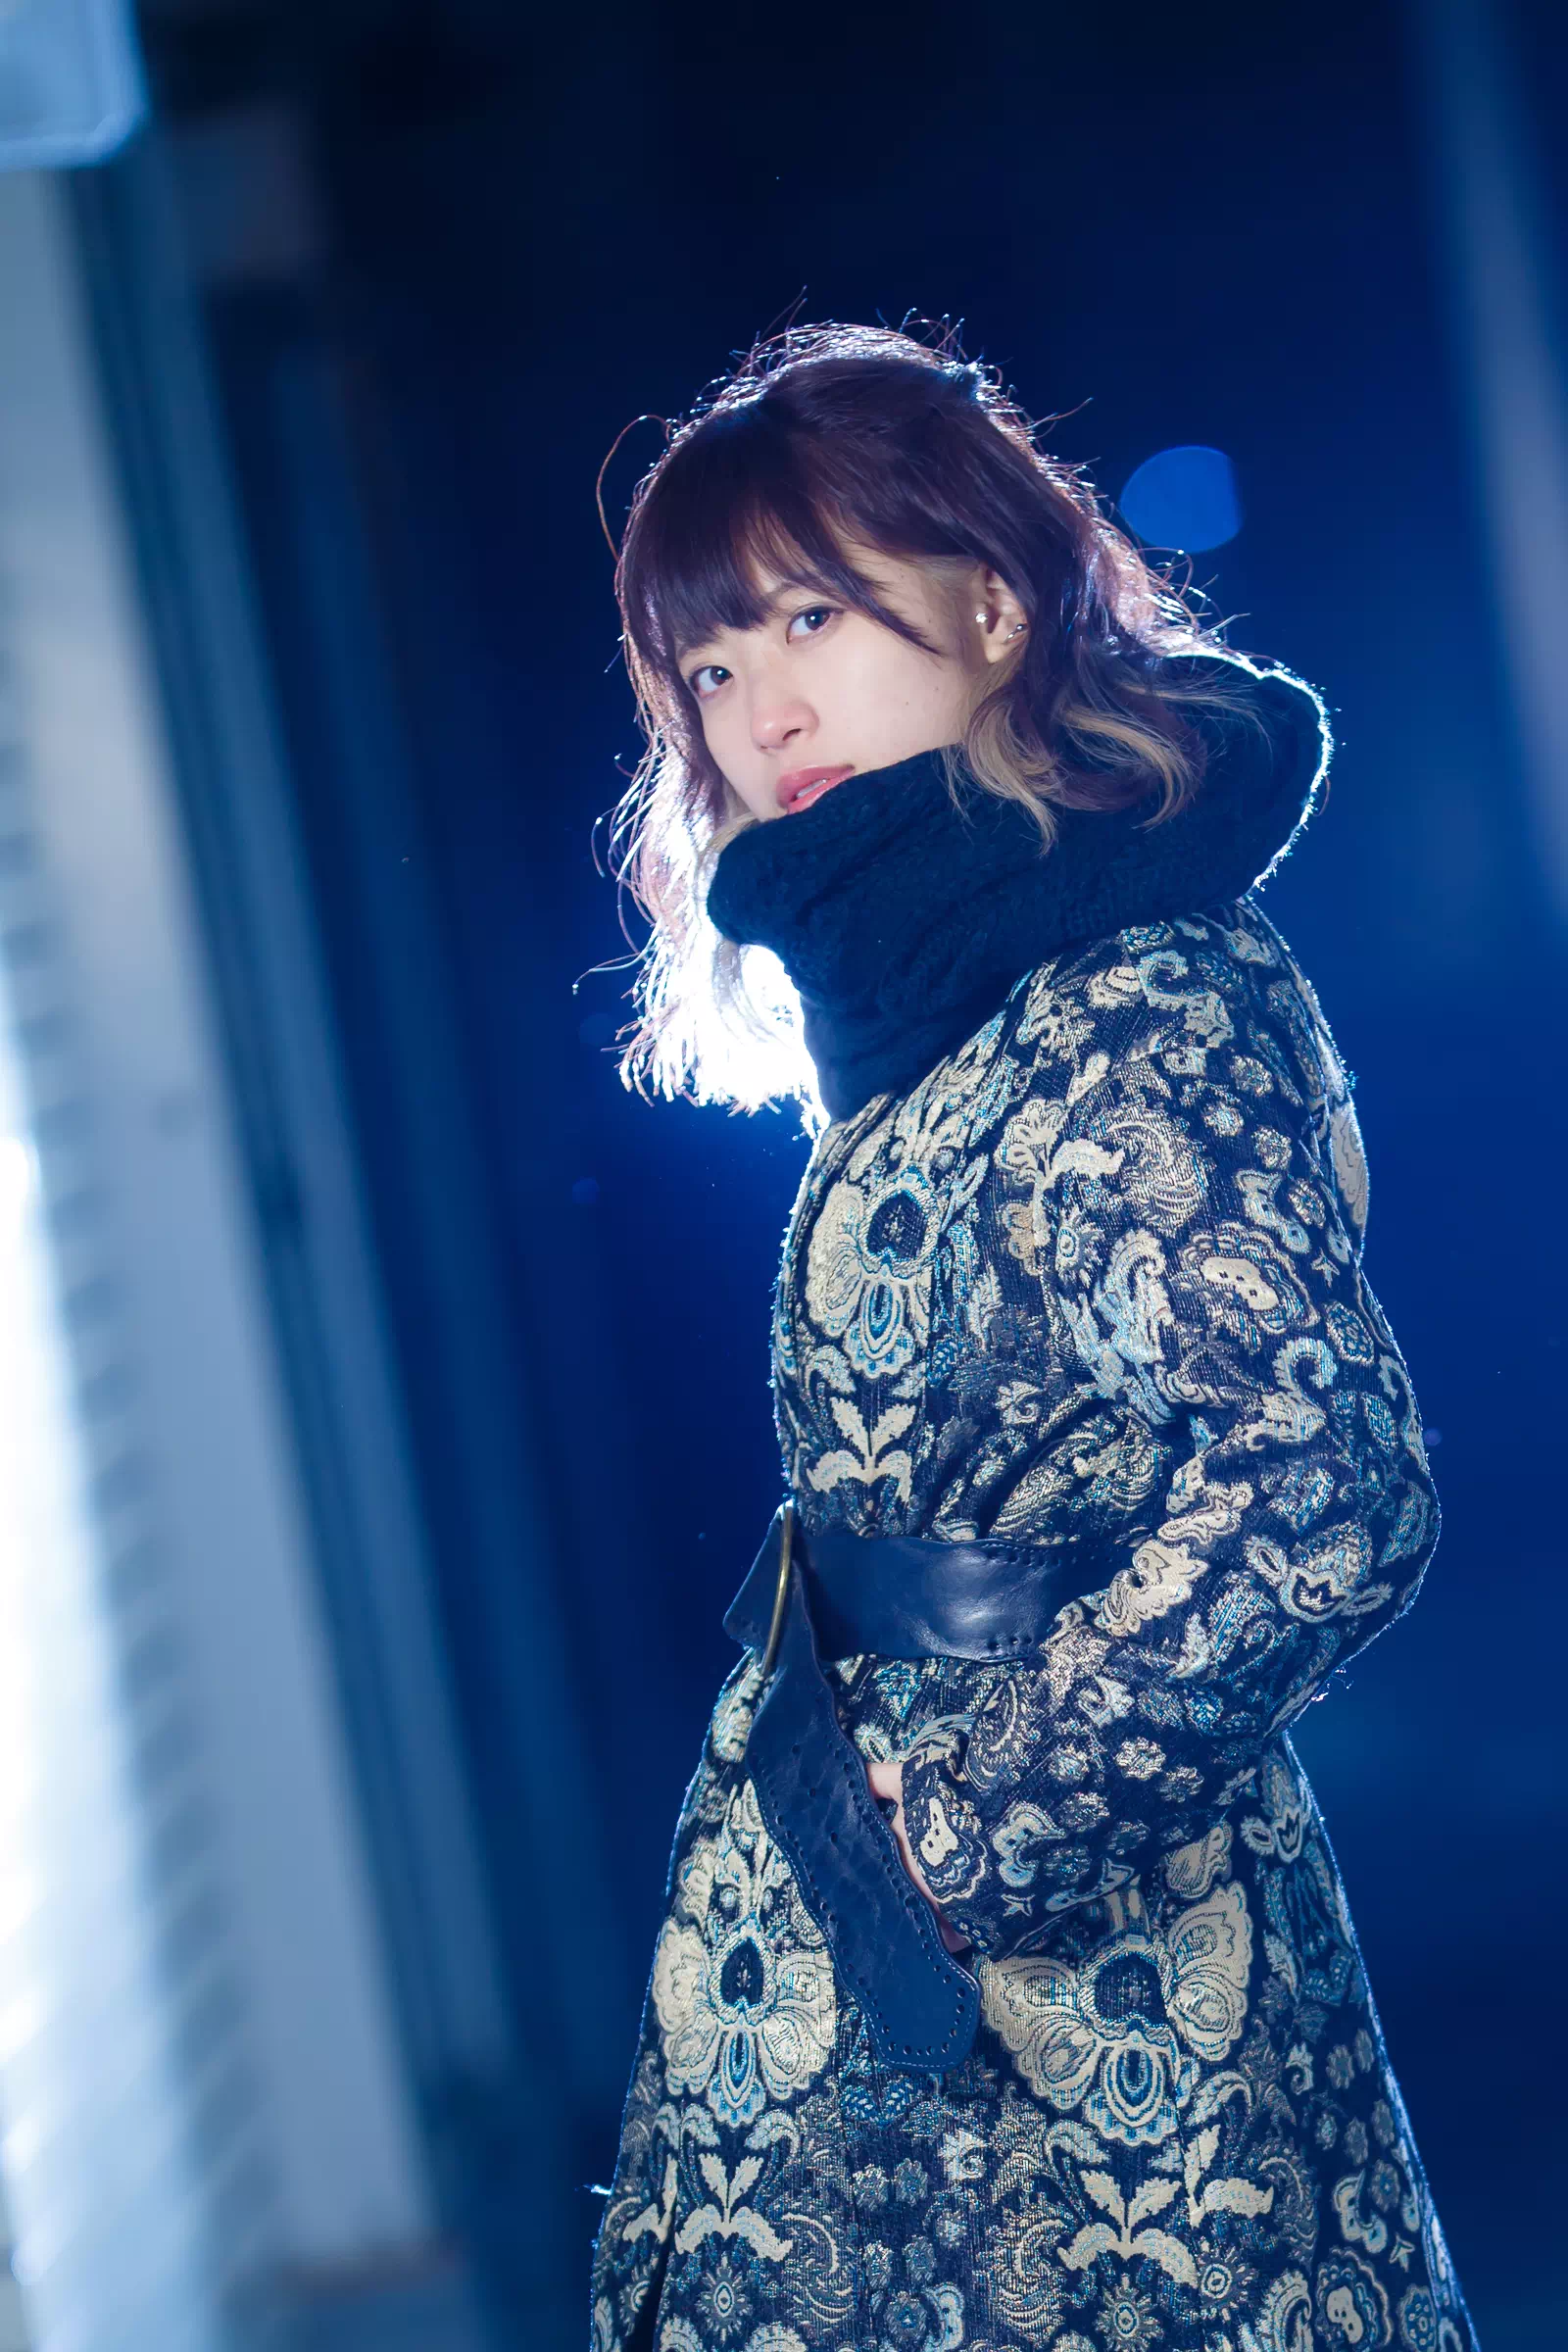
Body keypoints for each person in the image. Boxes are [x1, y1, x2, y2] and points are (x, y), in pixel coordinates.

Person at [589, 325, 1476, 2352]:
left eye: (807, 616)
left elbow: (1324, 1489)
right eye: (705, 668)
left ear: (990, 603)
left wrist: (971, 1831)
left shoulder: (1137, 991)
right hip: (870, 1937)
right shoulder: (920, 997)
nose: (757, 706)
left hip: (1088, 2003)